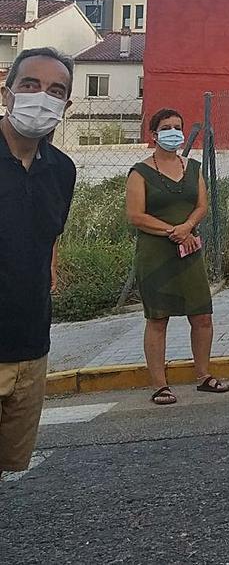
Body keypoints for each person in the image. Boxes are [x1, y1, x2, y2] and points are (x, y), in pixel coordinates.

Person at [0, 47, 77, 474]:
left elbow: (48, 241)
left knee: (8, 467)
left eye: (55, 90)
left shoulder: (62, 170)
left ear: (67, 105)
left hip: (31, 349)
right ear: (8, 92)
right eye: (30, 85)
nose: (41, 97)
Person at [125, 109, 228, 405]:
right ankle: (160, 384)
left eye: (178, 127)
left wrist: (187, 227)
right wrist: (173, 230)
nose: (174, 132)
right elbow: (136, 215)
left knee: (202, 314)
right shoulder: (140, 172)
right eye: (167, 127)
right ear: (153, 135)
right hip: (157, 253)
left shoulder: (192, 167)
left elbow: (201, 205)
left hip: (189, 248)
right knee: (158, 318)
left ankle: (203, 375)